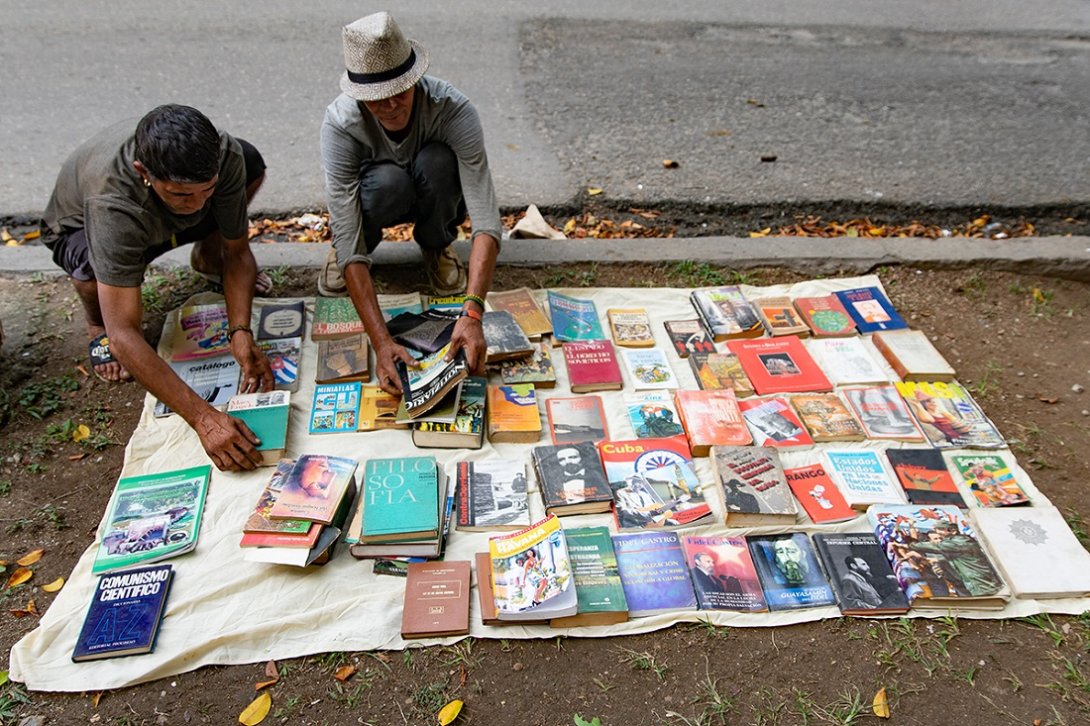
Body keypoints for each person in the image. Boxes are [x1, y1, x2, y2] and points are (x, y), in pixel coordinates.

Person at [40, 104, 273, 471]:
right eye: (182, 194)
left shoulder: (222, 156)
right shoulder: (112, 205)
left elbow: (239, 253)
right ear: (142, 173)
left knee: (250, 163)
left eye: (207, 190)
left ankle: (205, 257)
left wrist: (240, 330)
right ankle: (93, 323)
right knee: (92, 281)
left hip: (156, 222)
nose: (197, 204)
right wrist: (204, 419)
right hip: (79, 231)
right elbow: (124, 335)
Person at [318, 12, 502, 394]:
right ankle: (359, 256)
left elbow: (485, 217)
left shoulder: (453, 109)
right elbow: (346, 231)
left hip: (431, 188)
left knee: (438, 162)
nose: (389, 106)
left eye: (399, 92)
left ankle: (436, 244)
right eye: (375, 100)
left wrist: (472, 310)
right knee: (387, 184)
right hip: (378, 197)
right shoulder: (340, 124)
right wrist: (382, 342)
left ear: (415, 78)